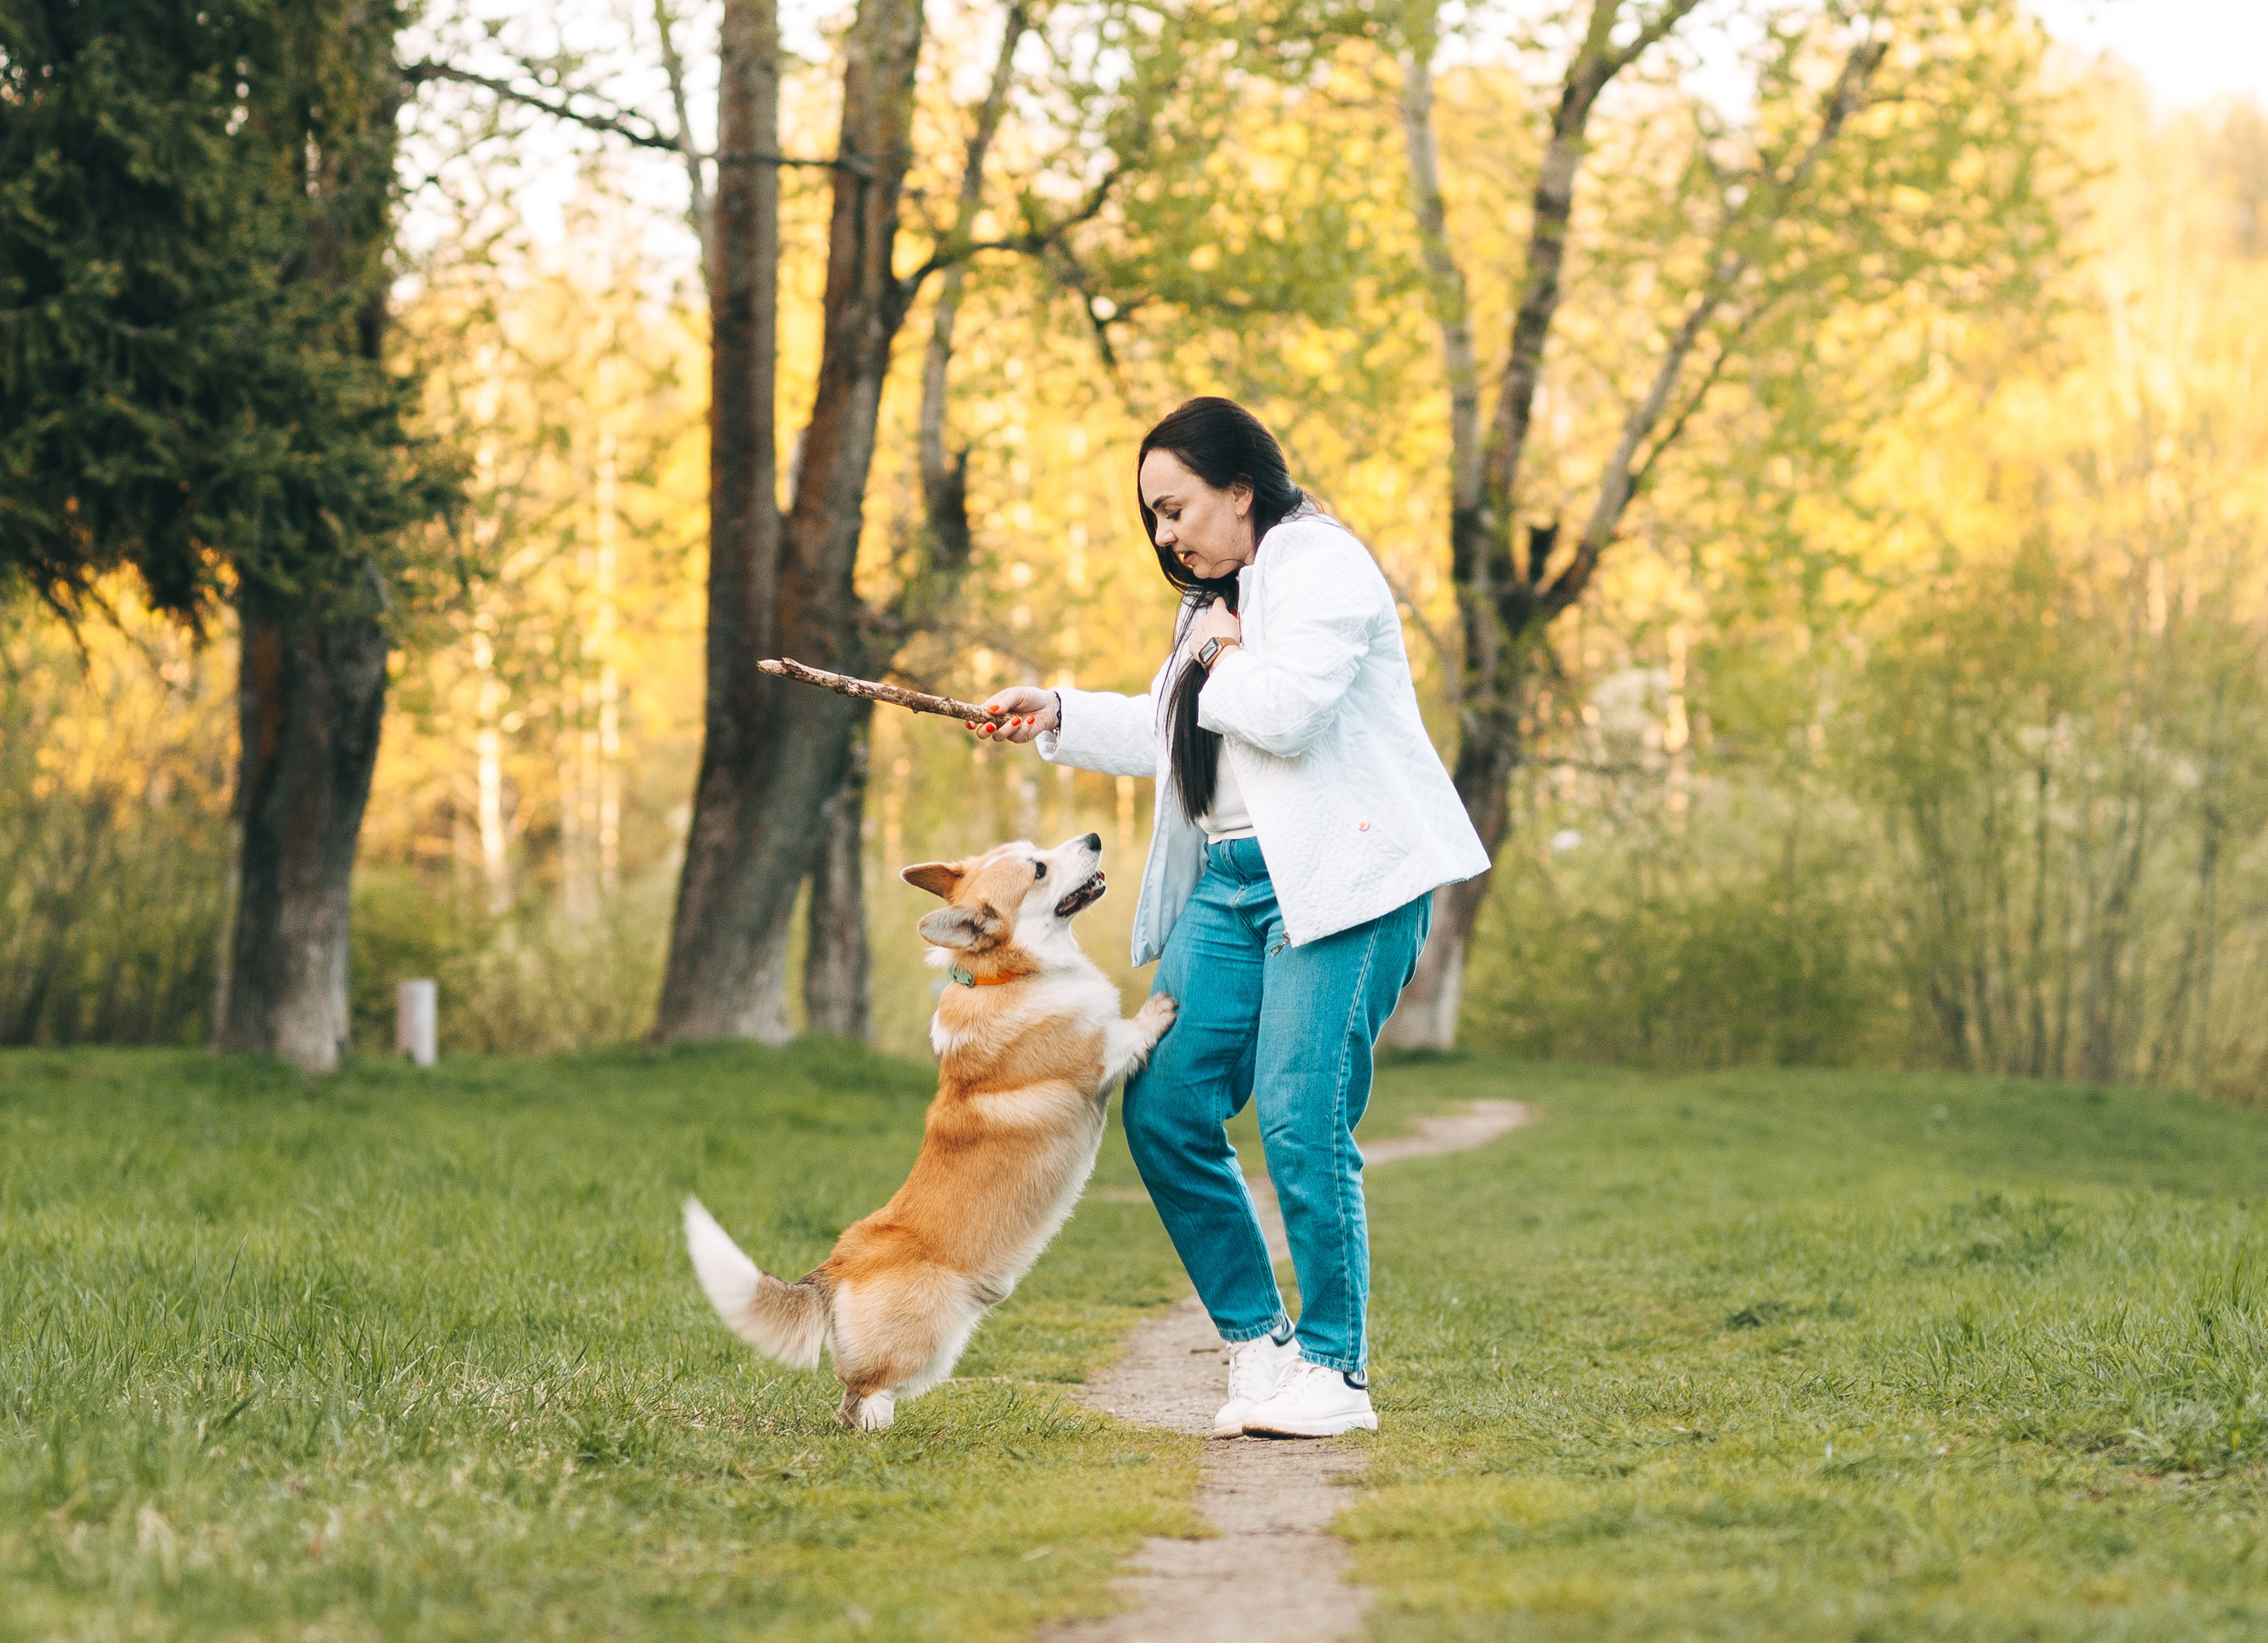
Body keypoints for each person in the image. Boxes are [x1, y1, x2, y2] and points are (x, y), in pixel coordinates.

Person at [975, 397, 1488, 1438]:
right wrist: (1060, 712)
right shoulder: (1216, 605)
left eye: (1176, 509)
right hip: (1231, 881)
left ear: (1240, 487)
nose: (1166, 535)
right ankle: (1262, 1346)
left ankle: (1337, 1373)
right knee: (1163, 1105)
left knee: (1302, 1116)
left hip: (1342, 880)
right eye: (1153, 518)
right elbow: (1180, 726)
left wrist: (1214, 652)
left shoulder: (1320, 565)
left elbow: (1285, 711)